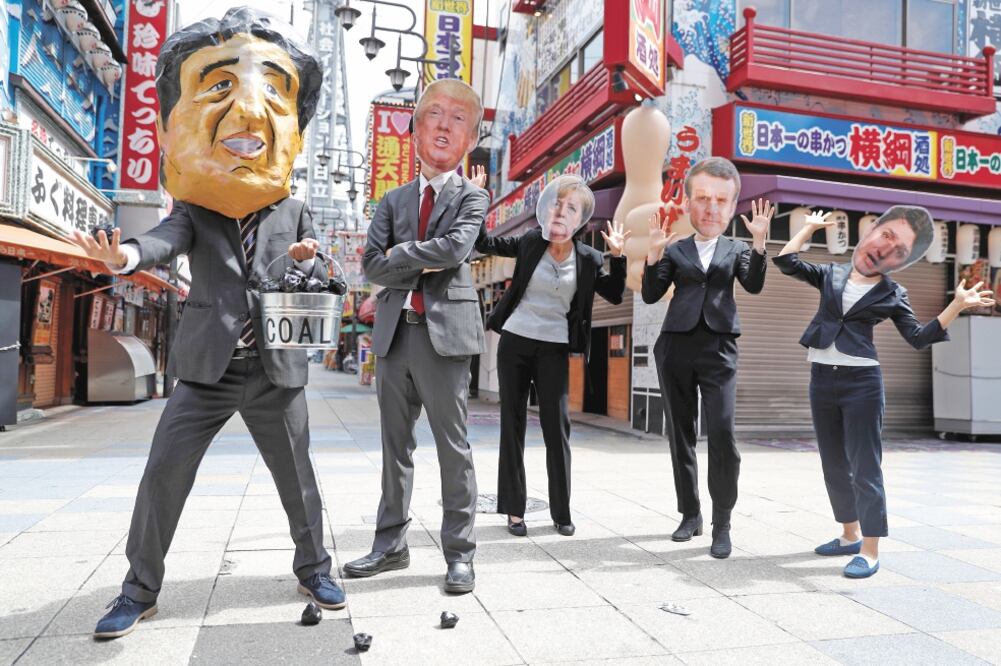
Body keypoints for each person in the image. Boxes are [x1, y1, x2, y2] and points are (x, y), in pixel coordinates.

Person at [70, 8, 344, 638]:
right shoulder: (197, 206)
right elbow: (163, 240)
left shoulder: (294, 208)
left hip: (276, 367)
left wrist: (309, 256)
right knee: (164, 471)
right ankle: (138, 590)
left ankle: (316, 566)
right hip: (207, 367)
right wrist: (126, 255)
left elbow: (318, 270)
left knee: (299, 477)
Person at [774, 206, 994, 578]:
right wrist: (808, 228)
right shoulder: (832, 273)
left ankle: (871, 549)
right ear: (872, 230)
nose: (887, 249)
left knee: (865, 467)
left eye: (901, 251)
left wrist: (955, 305)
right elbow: (786, 261)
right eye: (887, 235)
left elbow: (919, 338)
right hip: (822, 377)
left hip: (862, 384)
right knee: (833, 463)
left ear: (901, 263)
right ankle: (849, 535)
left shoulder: (893, 293)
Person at [349, 79, 489, 594]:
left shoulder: (474, 196)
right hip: (393, 337)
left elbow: (454, 251)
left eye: (458, 118)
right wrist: (407, 260)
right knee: (394, 446)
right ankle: (390, 545)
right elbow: (370, 266)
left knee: (453, 446)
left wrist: (401, 256)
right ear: (414, 130)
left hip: (446, 337)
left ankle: (460, 553)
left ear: (470, 137)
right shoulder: (390, 200)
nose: (444, 125)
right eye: (434, 113)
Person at [475, 174, 627, 537]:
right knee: (511, 425)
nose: (562, 211)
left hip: (554, 348)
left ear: (580, 220)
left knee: (556, 428)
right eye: (557, 203)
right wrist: (479, 201)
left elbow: (616, 294)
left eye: (571, 207)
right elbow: (485, 242)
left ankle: (561, 512)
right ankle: (514, 511)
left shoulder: (588, 258)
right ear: (547, 209)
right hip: (515, 343)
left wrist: (618, 256)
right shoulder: (530, 242)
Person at [642, 157, 773, 559]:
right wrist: (651, 256)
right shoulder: (675, 249)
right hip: (675, 347)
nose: (711, 207)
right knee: (680, 435)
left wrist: (760, 243)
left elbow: (752, 285)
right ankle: (690, 514)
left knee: (722, 434)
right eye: (702, 198)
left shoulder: (737, 249)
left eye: (721, 200)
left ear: (733, 206)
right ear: (687, 203)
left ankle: (722, 522)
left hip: (719, 349)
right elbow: (650, 293)